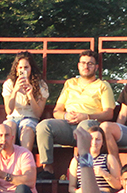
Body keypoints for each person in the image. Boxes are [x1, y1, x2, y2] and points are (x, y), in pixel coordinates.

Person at [35, 49, 114, 178]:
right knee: (43, 126)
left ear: (96, 67)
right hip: (67, 124)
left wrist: (86, 116)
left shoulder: (102, 85)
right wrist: (66, 116)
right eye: (83, 63)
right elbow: (57, 110)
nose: (86, 66)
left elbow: (109, 113)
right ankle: (47, 169)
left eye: (90, 63)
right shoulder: (70, 83)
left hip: (89, 123)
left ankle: (82, 170)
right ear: (78, 65)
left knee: (84, 126)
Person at [1, 51, 48, 155]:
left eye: (26, 67)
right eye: (20, 68)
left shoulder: (41, 85)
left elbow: (38, 114)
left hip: (30, 118)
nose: (23, 70)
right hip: (13, 118)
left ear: (31, 68)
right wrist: (15, 91)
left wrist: (30, 95)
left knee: (27, 128)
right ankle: (9, 161)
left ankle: (25, 161)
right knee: (9, 127)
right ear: (16, 70)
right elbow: (8, 111)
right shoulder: (9, 84)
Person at [68, 127, 118, 193]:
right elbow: (71, 187)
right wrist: (78, 192)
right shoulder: (76, 160)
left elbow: (118, 185)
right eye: (91, 139)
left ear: (103, 142)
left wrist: (105, 174)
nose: (94, 142)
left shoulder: (109, 158)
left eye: (98, 139)